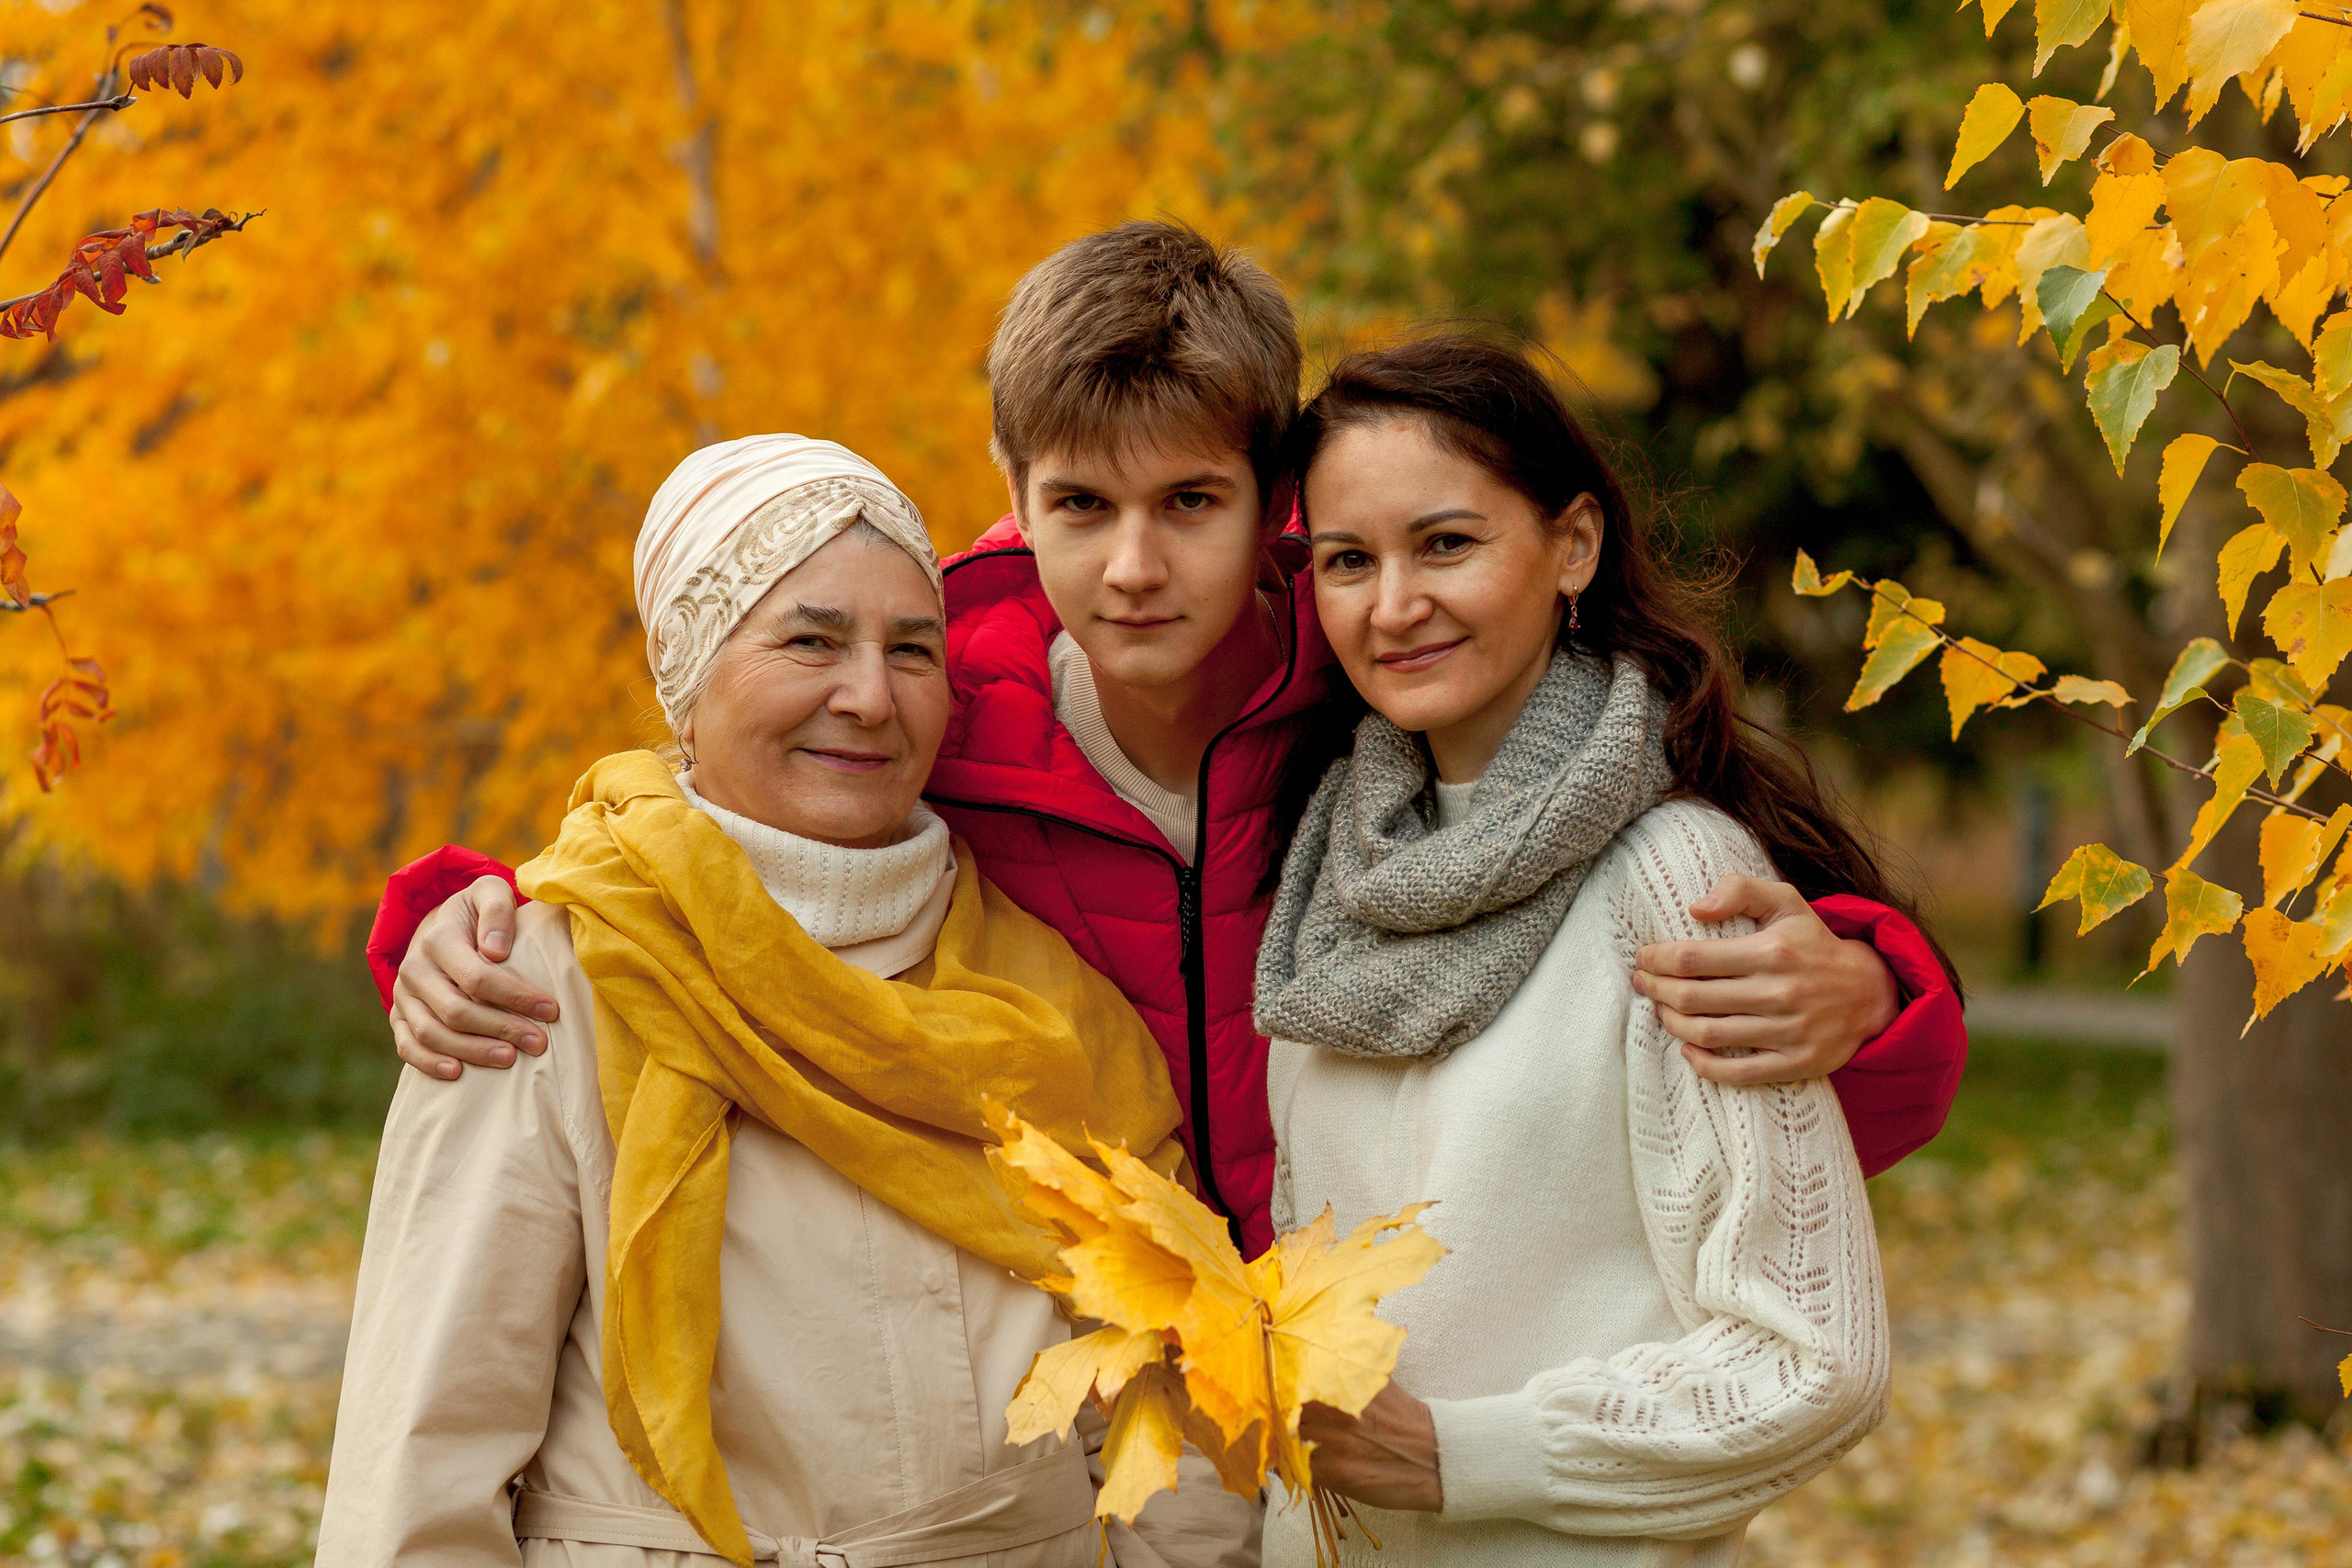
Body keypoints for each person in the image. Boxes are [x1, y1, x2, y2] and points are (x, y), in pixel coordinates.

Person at [367, 223, 1966, 1261]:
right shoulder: (939, 702)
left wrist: (1870, 988)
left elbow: (1677, 857)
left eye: (1188, 504)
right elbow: (693, 827)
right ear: (1013, 482)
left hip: (1388, 1369)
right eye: (1081, 506)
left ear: (1272, 494)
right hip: (1072, 1371)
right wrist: (453, 912)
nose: (1133, 567)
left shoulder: (1375, 682)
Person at [317, 435, 1255, 1567]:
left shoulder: (1043, 990)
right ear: (688, 675)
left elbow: (1176, 1417)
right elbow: (424, 1465)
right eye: (809, 640)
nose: (868, 696)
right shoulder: (540, 980)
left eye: (911, 650)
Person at [1259, 337, 1901, 1566]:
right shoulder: (1326, 879)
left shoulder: (1678, 879)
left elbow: (1816, 1355)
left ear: (1575, 546)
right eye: (1349, 560)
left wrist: (1464, 1455)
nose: (1393, 604)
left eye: (1446, 543)